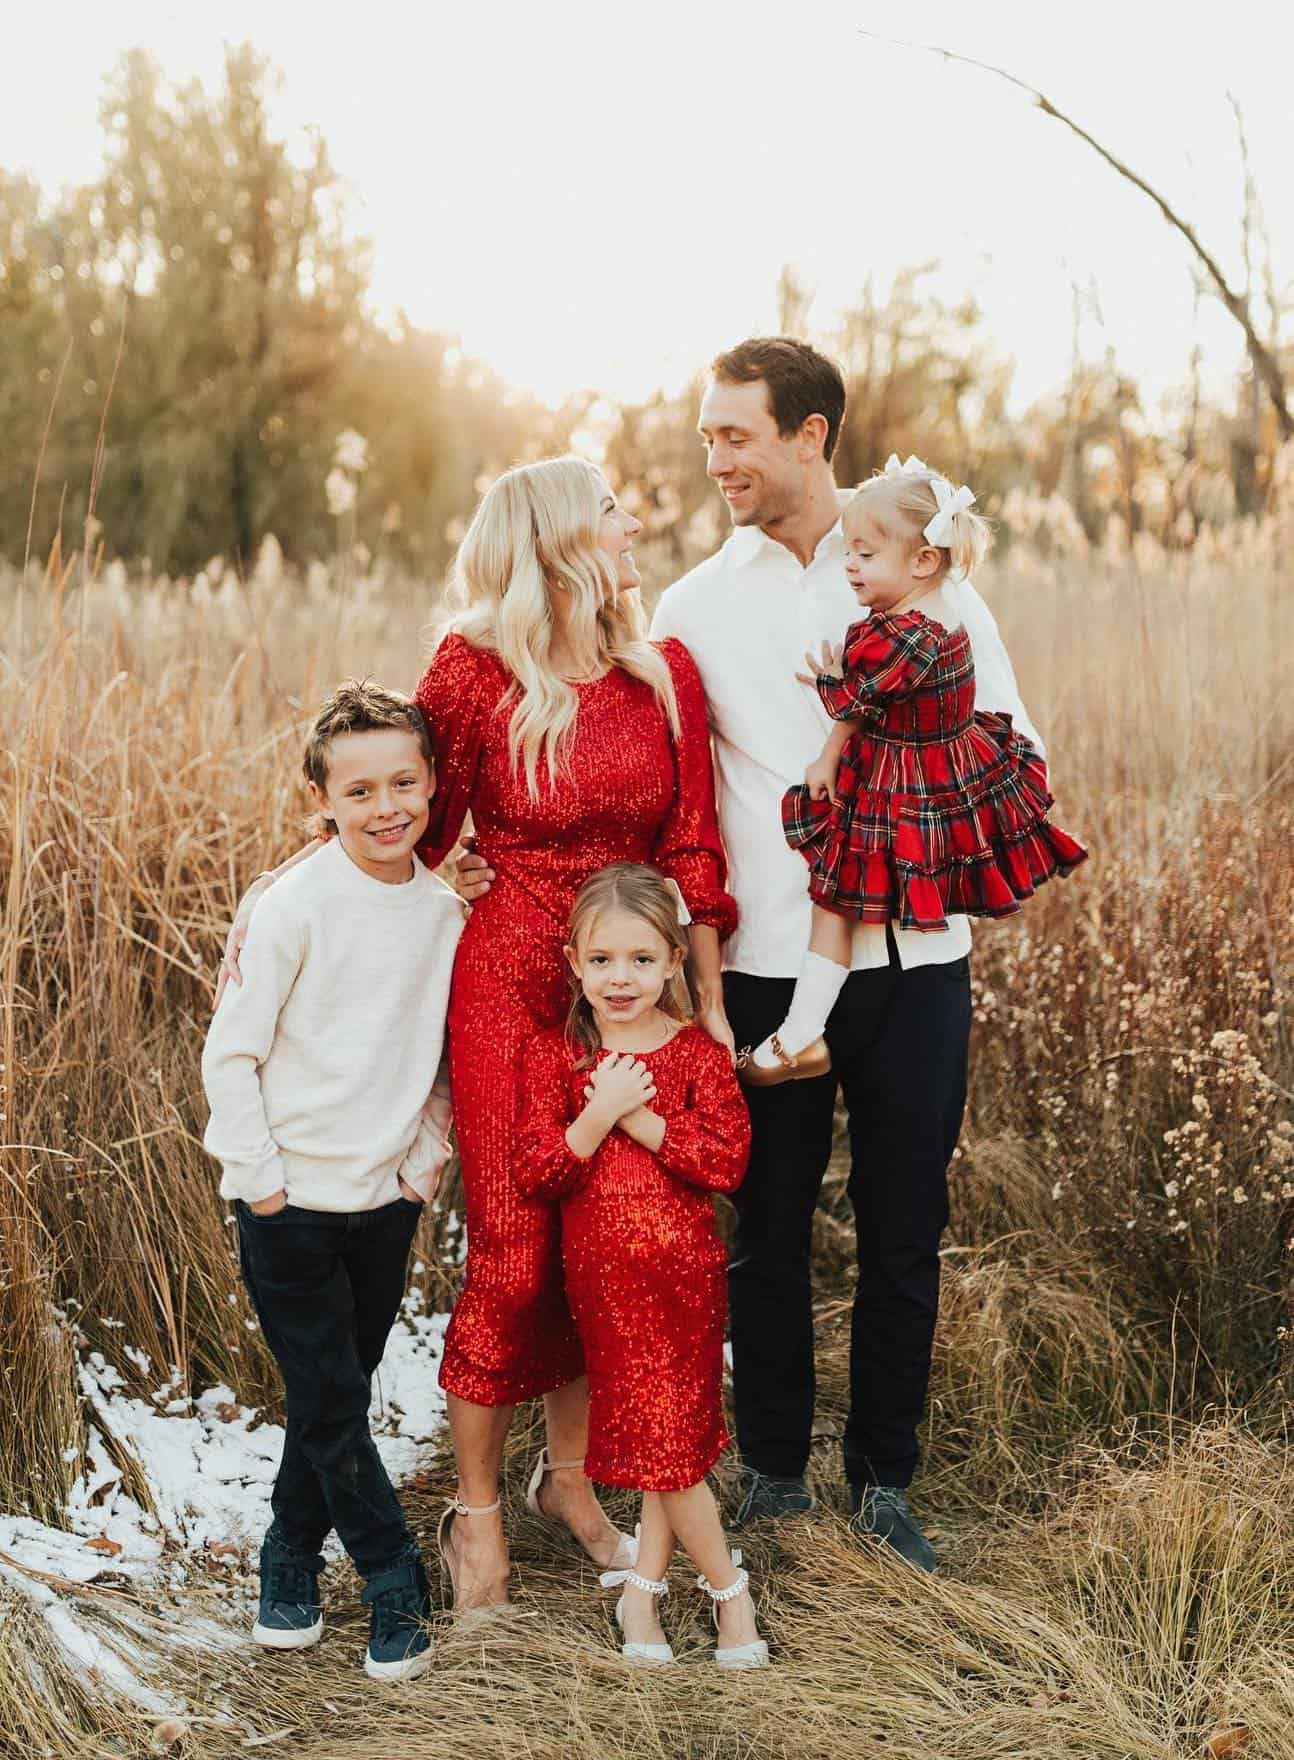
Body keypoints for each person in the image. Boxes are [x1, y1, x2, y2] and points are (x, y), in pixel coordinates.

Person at [217, 458, 737, 1615]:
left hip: (626, 988)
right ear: (555, 539)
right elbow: (404, 820)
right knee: (515, 1247)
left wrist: (706, 1003)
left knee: (607, 1232)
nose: (634, 521)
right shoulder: (470, 668)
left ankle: (572, 1482)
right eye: (613, 509)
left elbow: (694, 844)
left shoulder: (665, 673)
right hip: (506, 981)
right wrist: (295, 916)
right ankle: (477, 1511)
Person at [645, 337, 1056, 1571]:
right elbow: (679, 804)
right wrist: (700, 979)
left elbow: (1013, 741)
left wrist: (911, 817)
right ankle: (772, 1470)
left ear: (809, 434)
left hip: (920, 960)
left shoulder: (924, 574)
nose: (713, 456)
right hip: (772, 964)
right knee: (764, 1229)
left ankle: (884, 1479)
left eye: (735, 434)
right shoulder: (691, 605)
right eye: (707, 434)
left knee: (903, 1226)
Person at [202, 680, 465, 1682]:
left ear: (434, 783)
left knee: (332, 1396)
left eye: (405, 781)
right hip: (288, 1201)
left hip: (384, 1200)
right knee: (329, 1394)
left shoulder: (443, 910)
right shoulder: (291, 903)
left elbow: (443, 1059)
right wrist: (261, 1184)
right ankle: (393, 1576)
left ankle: (286, 1553)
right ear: (321, 794)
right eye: (360, 790)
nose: (386, 806)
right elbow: (232, 1054)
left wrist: (419, 1166)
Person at [742, 455, 1087, 1081]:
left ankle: (801, 1034)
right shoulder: (930, 619)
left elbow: (855, 702)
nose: (848, 565)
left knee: (835, 898)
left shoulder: (907, 638)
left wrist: (827, 679)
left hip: (905, 783)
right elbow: (868, 711)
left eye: (865, 555)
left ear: (923, 561)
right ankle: (807, 1032)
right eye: (848, 551)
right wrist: (831, 745)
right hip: (930, 767)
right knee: (857, 893)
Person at [514, 863, 763, 1668]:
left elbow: (725, 1161)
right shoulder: (556, 1059)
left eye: (643, 960)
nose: (622, 979)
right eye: (602, 961)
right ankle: (730, 1595)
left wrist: (639, 1113)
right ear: (573, 964)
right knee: (667, 1442)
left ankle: (644, 1597)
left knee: (672, 1443)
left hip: (684, 1277)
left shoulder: (695, 1055)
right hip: (607, 1283)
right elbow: (540, 1171)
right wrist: (595, 1110)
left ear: (674, 963)